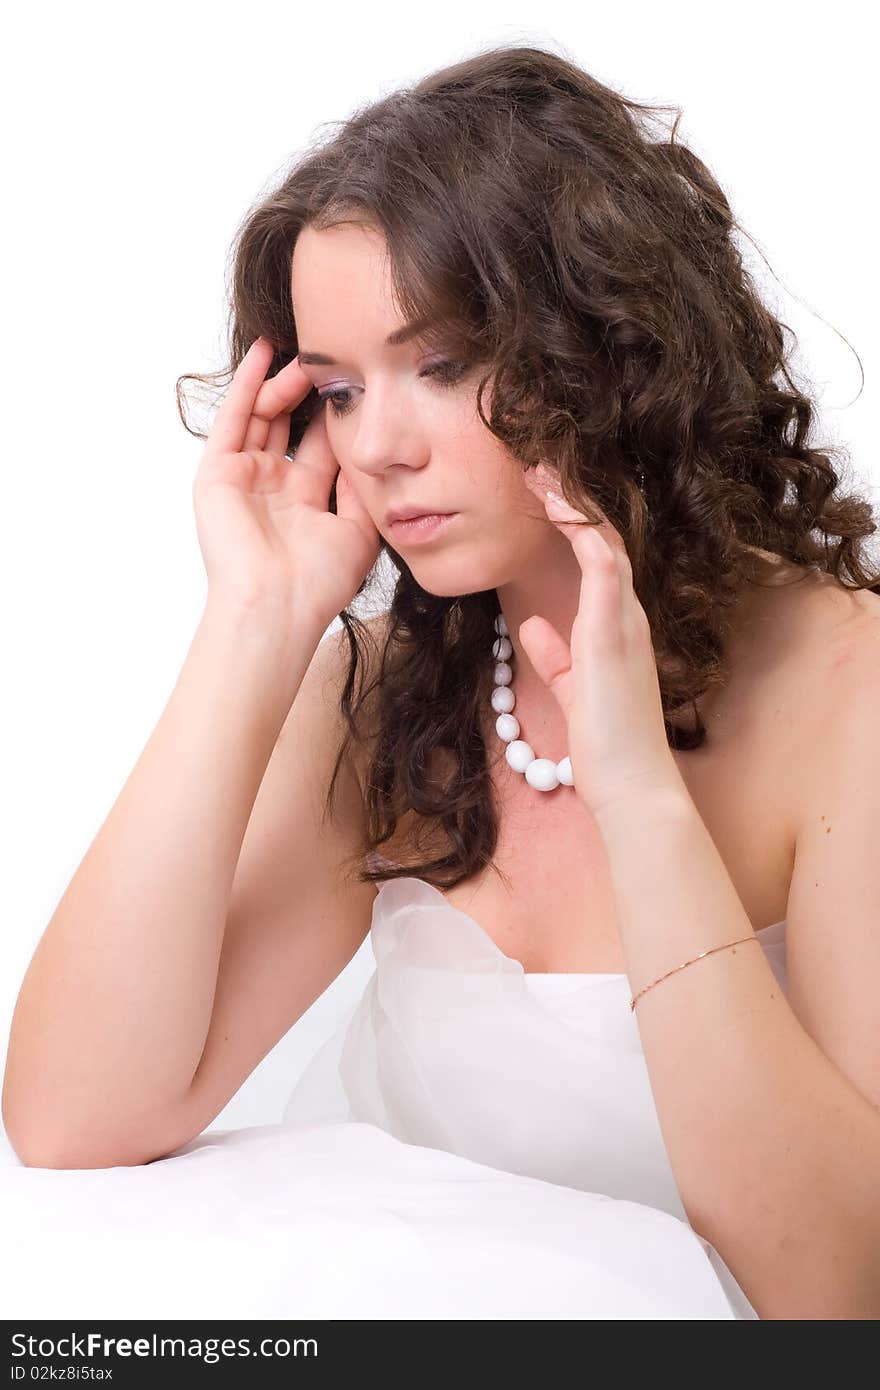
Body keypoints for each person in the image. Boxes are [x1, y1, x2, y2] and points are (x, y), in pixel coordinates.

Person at [4, 44, 880, 1322]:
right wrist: (254, 622)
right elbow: (73, 1118)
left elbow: (840, 1290)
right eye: (342, 390)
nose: (378, 446)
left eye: (449, 365)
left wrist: (638, 793)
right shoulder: (395, 696)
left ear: (614, 344)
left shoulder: (847, 689)